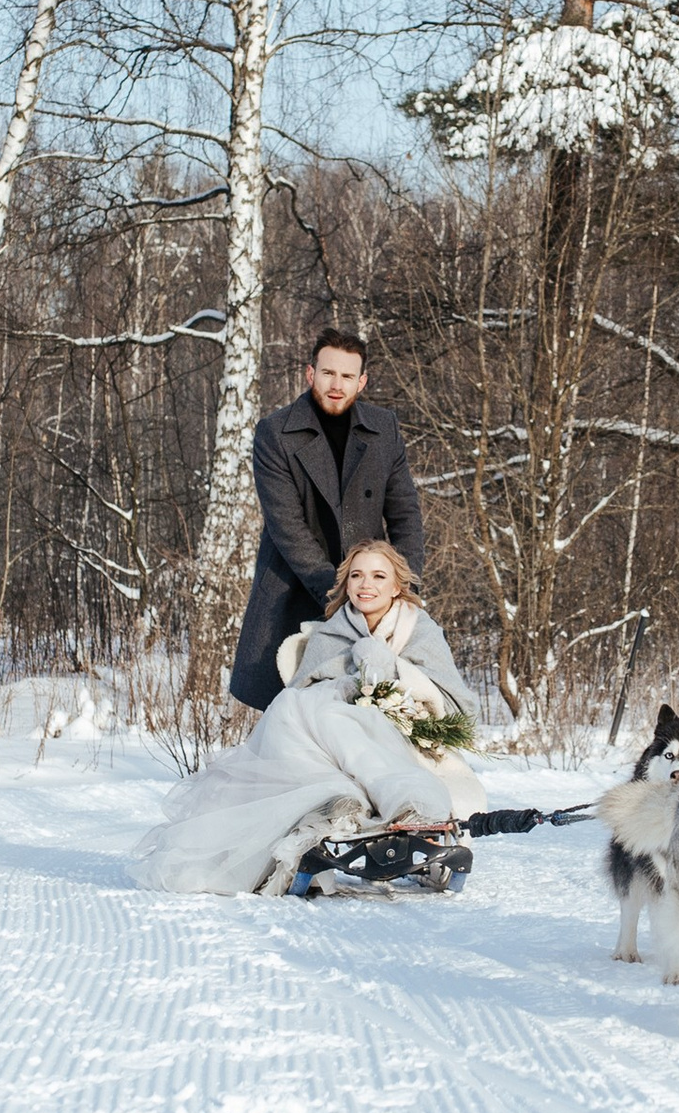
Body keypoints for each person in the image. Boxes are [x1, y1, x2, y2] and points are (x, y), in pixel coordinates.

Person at [136, 540, 485, 896]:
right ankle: (338, 799)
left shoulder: (421, 631)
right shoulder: (332, 632)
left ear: (397, 586)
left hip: (402, 738)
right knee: (292, 704)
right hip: (327, 744)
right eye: (357, 575)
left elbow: (457, 705)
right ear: (346, 584)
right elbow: (306, 689)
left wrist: (393, 672)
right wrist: (352, 683)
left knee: (316, 709)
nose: (366, 585)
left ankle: (409, 802)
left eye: (379, 576)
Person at [228, 328, 426, 712]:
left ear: (362, 381)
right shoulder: (275, 433)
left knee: (375, 709)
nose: (337, 385)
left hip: (371, 593)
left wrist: (401, 591)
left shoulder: (384, 429)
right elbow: (287, 527)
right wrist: (340, 594)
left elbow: (405, 514)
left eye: (348, 376)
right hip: (295, 588)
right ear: (310, 373)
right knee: (292, 713)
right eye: (328, 373)